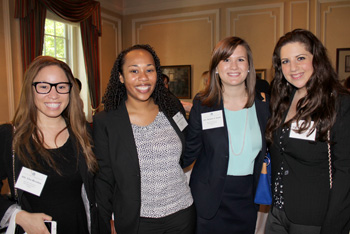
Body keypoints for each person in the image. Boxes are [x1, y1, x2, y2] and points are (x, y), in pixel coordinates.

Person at [94, 44, 195, 234]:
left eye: (150, 70)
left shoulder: (171, 107)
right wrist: (107, 220)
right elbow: (104, 178)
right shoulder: (106, 121)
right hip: (137, 221)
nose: (143, 77)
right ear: (121, 77)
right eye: (134, 71)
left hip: (182, 213)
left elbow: (186, 149)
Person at [0, 56, 98, 234]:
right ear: (31, 90)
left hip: (79, 227)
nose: (54, 95)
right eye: (44, 86)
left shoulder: (83, 134)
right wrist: (18, 216)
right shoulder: (10, 137)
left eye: (61, 86)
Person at [265, 29, 350, 234]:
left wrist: (334, 226)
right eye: (285, 61)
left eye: (300, 58)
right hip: (278, 213)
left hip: (314, 218)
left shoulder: (339, 103)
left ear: (317, 59)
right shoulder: (283, 101)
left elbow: (346, 171)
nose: (292, 67)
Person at [183, 36, 270, 234]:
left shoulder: (263, 104)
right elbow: (189, 151)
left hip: (247, 200)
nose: (234, 66)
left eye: (240, 59)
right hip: (209, 200)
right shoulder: (203, 104)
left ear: (249, 66)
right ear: (216, 67)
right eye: (226, 59)